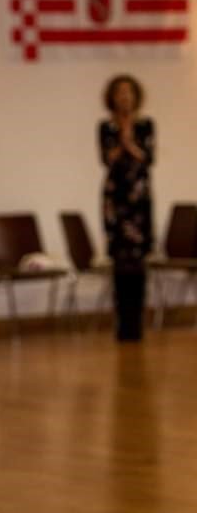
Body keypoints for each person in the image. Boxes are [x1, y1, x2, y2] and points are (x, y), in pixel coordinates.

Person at [99, 75, 154, 343]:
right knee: (120, 262)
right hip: (116, 200)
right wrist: (122, 138)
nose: (124, 97)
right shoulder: (106, 128)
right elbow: (106, 158)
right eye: (119, 93)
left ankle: (138, 322)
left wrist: (130, 139)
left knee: (139, 261)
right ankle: (122, 322)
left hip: (140, 199)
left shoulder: (146, 126)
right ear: (112, 97)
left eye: (129, 92)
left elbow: (148, 158)